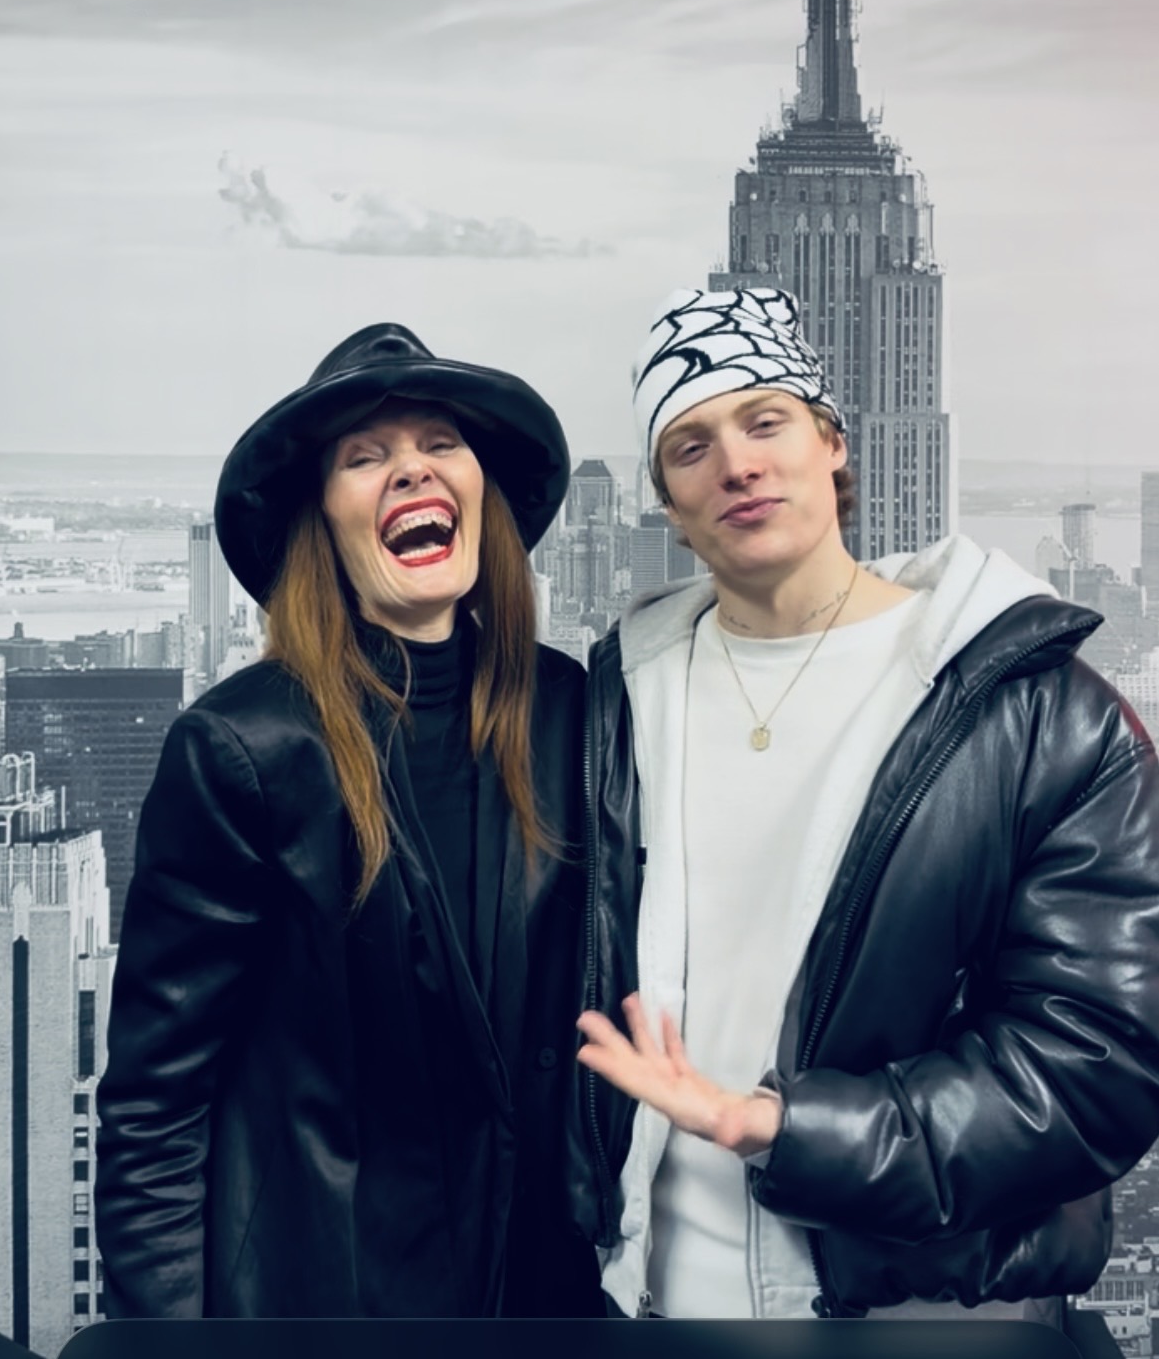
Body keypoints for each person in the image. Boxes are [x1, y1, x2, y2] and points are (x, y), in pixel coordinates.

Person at [572, 285, 1159, 1324]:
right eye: (690, 446)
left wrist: (782, 1130)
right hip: (650, 1305)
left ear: (832, 443)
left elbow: (1093, 1068)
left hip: (916, 1313)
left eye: (764, 421)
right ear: (665, 505)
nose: (736, 464)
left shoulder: (1040, 714)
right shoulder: (615, 706)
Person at [96, 322, 601, 1319]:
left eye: (440, 444)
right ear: (320, 523)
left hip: (544, 1297)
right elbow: (156, 1107)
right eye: (364, 458)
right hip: (329, 1307)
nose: (411, 469)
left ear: (483, 496)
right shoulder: (242, 748)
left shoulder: (570, 713)